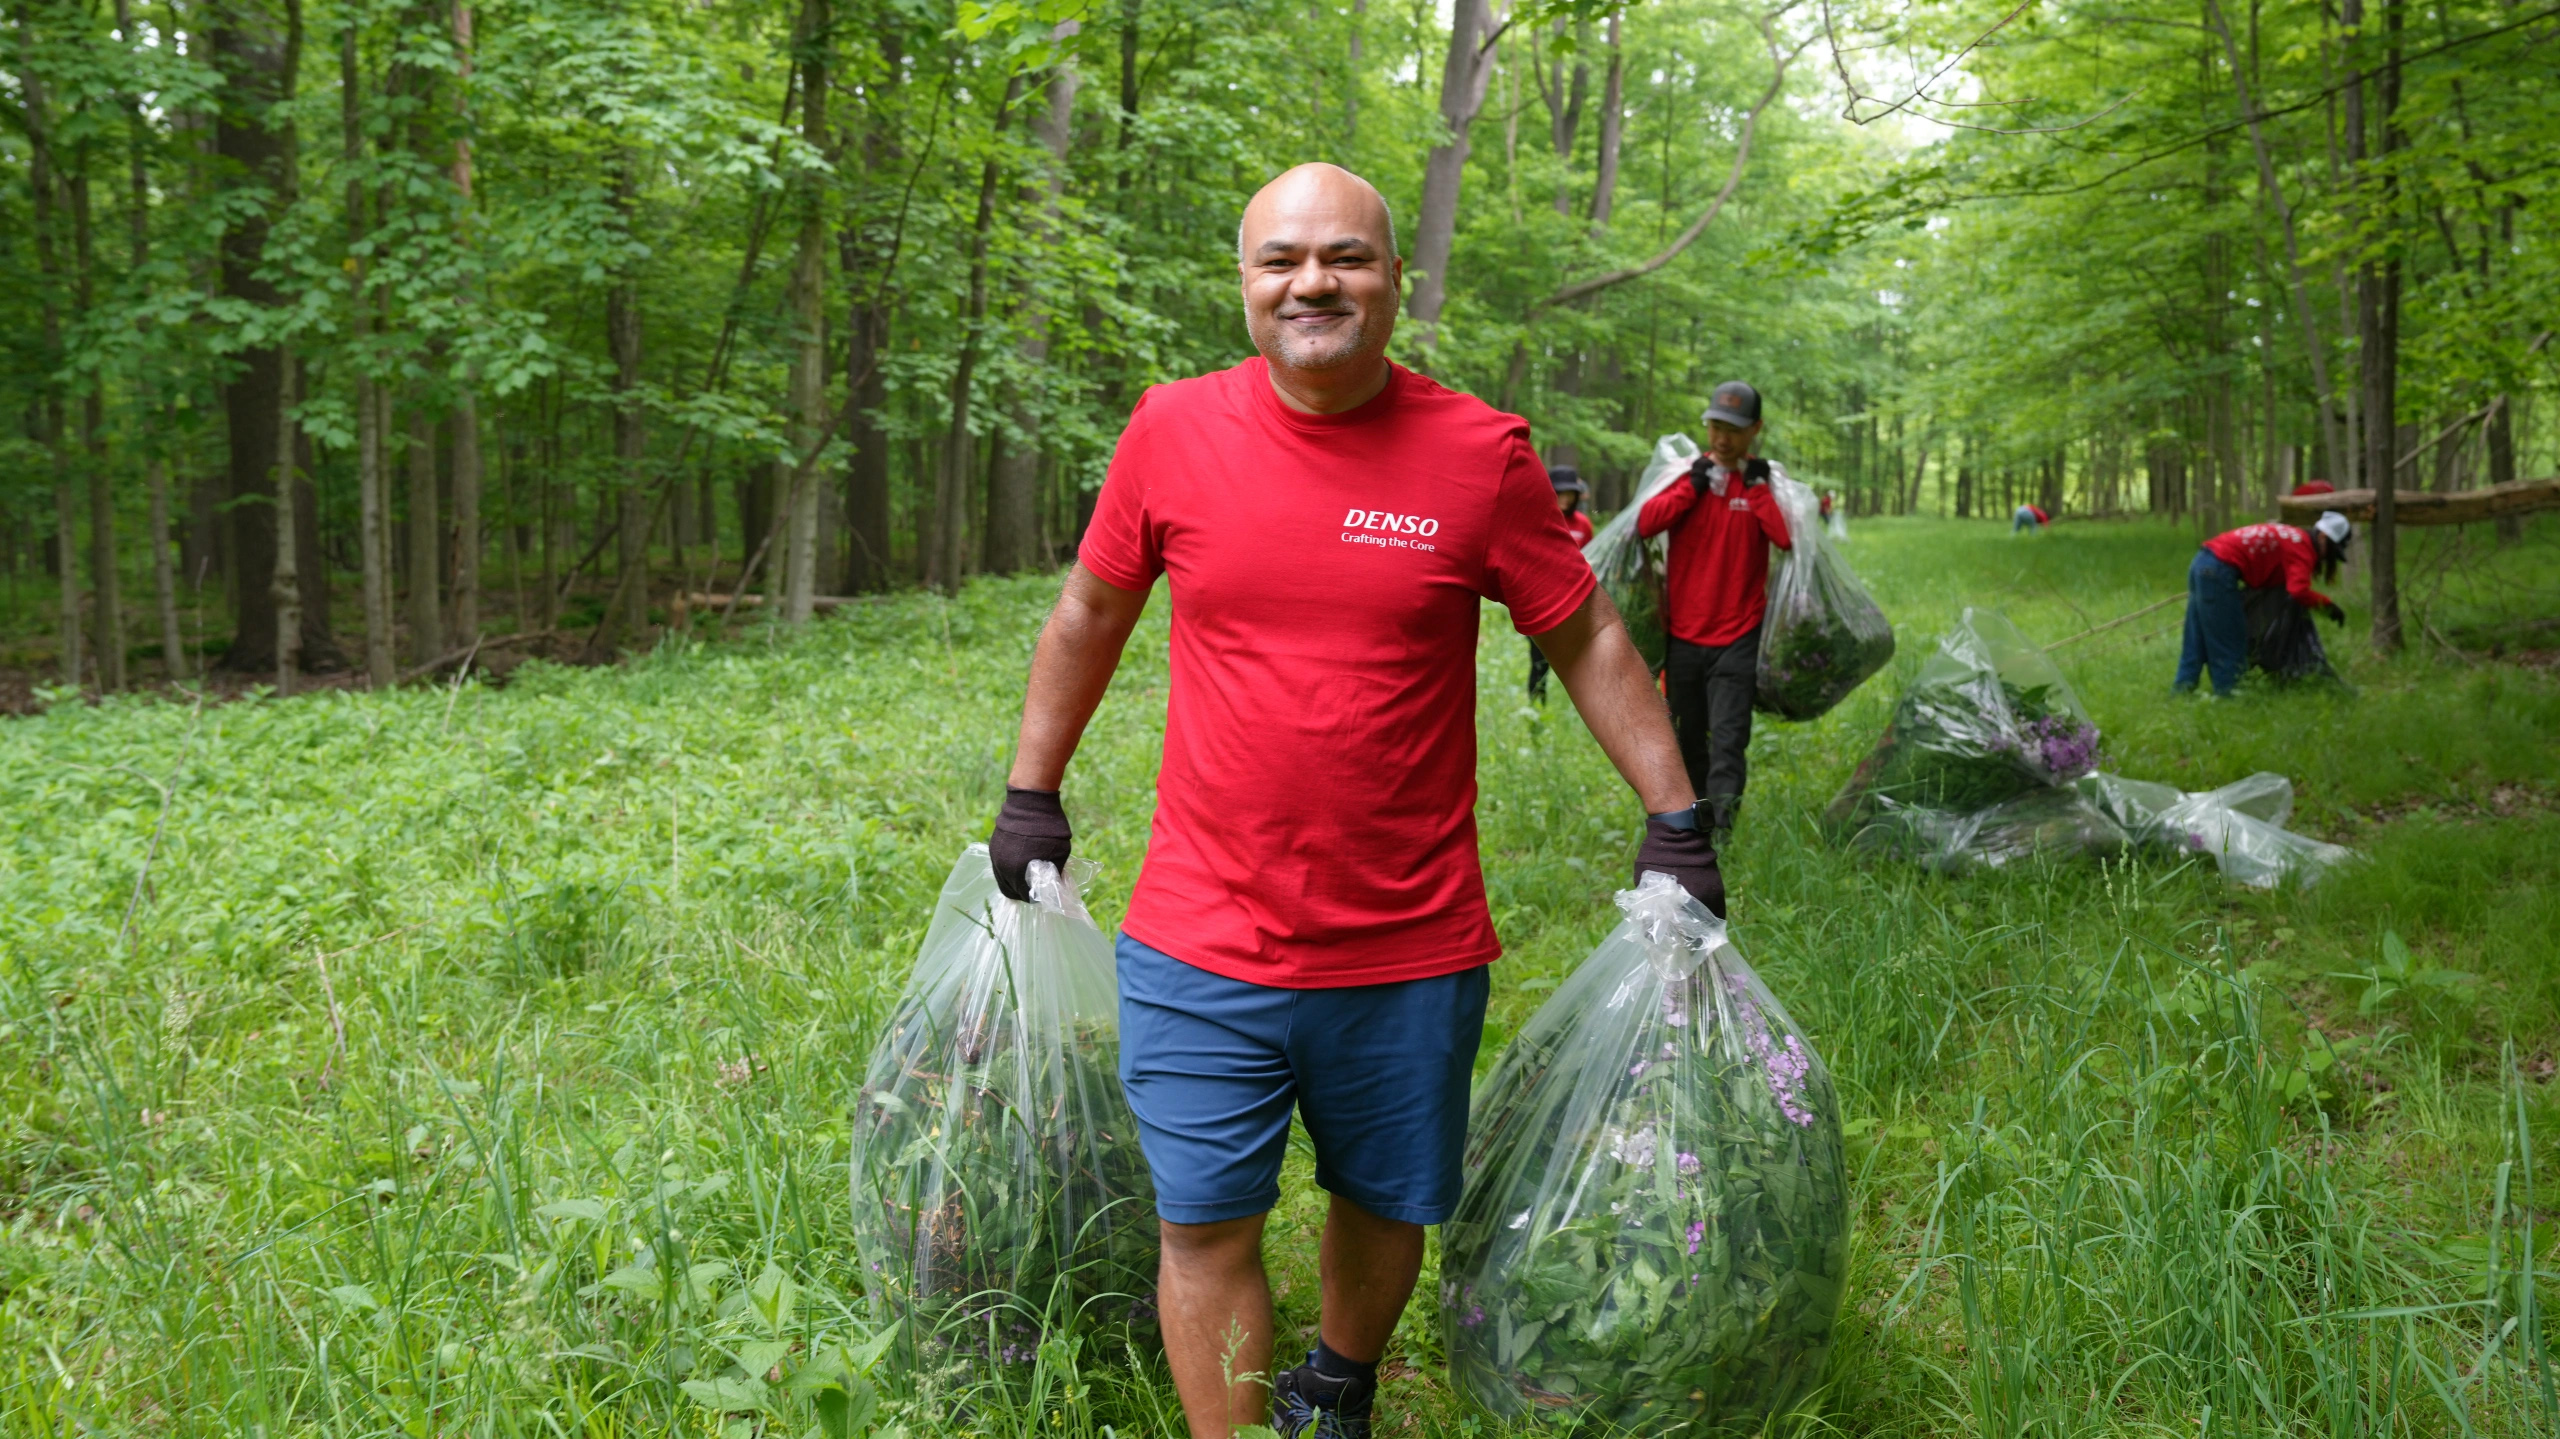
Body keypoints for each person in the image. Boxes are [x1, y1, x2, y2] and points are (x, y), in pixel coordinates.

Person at [985, 163, 1719, 1439]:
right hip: (1200, 933)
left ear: (1395, 279)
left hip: (1409, 940)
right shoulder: (1170, 429)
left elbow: (1586, 632)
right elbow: (1091, 609)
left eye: (1344, 258)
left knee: (1384, 1199)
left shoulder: (1477, 452)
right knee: (1204, 1216)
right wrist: (1029, 790)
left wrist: (1675, 813)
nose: (1310, 282)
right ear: (1244, 282)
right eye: (1279, 260)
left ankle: (1336, 1381)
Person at [1635, 381, 1791, 843]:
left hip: (1739, 635)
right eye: (1716, 426)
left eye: (1734, 430)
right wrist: (1692, 489)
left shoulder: (1763, 481)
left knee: (1728, 739)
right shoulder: (1686, 474)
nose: (1723, 438)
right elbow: (1645, 523)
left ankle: (1722, 832)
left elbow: (1786, 539)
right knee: (1687, 736)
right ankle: (1693, 818)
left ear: (1754, 430)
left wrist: (1759, 489)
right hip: (1683, 634)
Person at [2174, 511, 2352, 696]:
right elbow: (2298, 590)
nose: (2326, 558)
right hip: (2219, 570)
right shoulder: (2302, 547)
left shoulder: (2293, 536)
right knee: (2230, 638)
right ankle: (2228, 696)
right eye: (2330, 550)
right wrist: (2327, 606)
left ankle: (2182, 691)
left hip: (2202, 562)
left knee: (2196, 638)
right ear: (2322, 537)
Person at [1526, 465, 1594, 701]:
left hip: (1575, 601)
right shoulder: (1537, 519)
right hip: (1541, 601)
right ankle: (1536, 706)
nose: (1565, 499)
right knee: (1539, 660)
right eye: (1560, 493)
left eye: (1570, 494)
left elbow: (1590, 557)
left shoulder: (1583, 524)